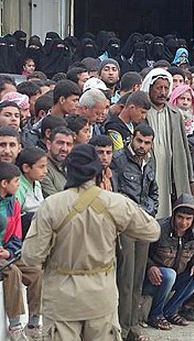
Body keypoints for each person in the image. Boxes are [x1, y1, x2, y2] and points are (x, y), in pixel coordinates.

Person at [22, 144, 161, 340]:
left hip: (62, 300)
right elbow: (152, 231)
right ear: (98, 171)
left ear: (68, 170)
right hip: (101, 297)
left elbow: (31, 257)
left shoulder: (51, 205)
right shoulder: (116, 203)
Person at [0, 162, 43, 341]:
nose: (18, 185)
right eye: (16, 181)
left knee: (36, 271)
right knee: (12, 271)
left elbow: (16, 236)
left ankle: (33, 322)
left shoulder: (14, 204)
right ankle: (15, 325)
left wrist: (9, 252)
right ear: (4, 183)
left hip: (7, 254)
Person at [111, 124, 159, 341]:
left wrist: (147, 213)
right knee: (125, 278)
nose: (142, 146)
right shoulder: (118, 159)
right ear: (132, 138)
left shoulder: (150, 160)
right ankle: (120, 327)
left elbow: (153, 192)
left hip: (143, 224)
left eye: (147, 143)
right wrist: (133, 213)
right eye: (139, 141)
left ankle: (132, 327)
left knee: (138, 278)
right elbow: (116, 194)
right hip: (125, 226)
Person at [144, 194, 194, 331]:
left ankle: (171, 311)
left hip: (177, 277)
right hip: (154, 279)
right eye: (180, 217)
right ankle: (155, 315)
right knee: (169, 274)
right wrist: (150, 267)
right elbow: (142, 254)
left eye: (188, 219)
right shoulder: (159, 228)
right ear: (174, 215)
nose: (184, 223)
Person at [142, 68, 194, 219]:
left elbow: (183, 148)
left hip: (171, 168)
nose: (163, 92)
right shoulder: (144, 112)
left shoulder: (175, 113)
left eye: (166, 88)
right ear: (150, 88)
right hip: (151, 165)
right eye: (159, 88)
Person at [15, 146, 47, 237]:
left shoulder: (36, 183)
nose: (45, 171)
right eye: (41, 167)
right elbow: (17, 216)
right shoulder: (18, 186)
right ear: (26, 168)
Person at [40, 126, 74, 197]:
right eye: (60, 143)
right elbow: (55, 200)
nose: (64, 149)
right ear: (49, 145)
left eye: (68, 144)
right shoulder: (42, 168)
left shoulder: (73, 166)